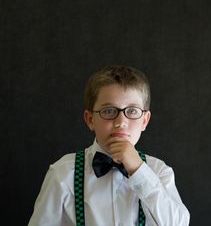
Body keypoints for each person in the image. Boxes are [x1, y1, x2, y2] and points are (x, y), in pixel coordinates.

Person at [28, 65, 190, 226]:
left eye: (132, 111)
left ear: (145, 120)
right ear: (90, 119)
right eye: (109, 111)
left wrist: (139, 172)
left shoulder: (159, 171)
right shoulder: (63, 173)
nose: (121, 123)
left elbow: (178, 223)